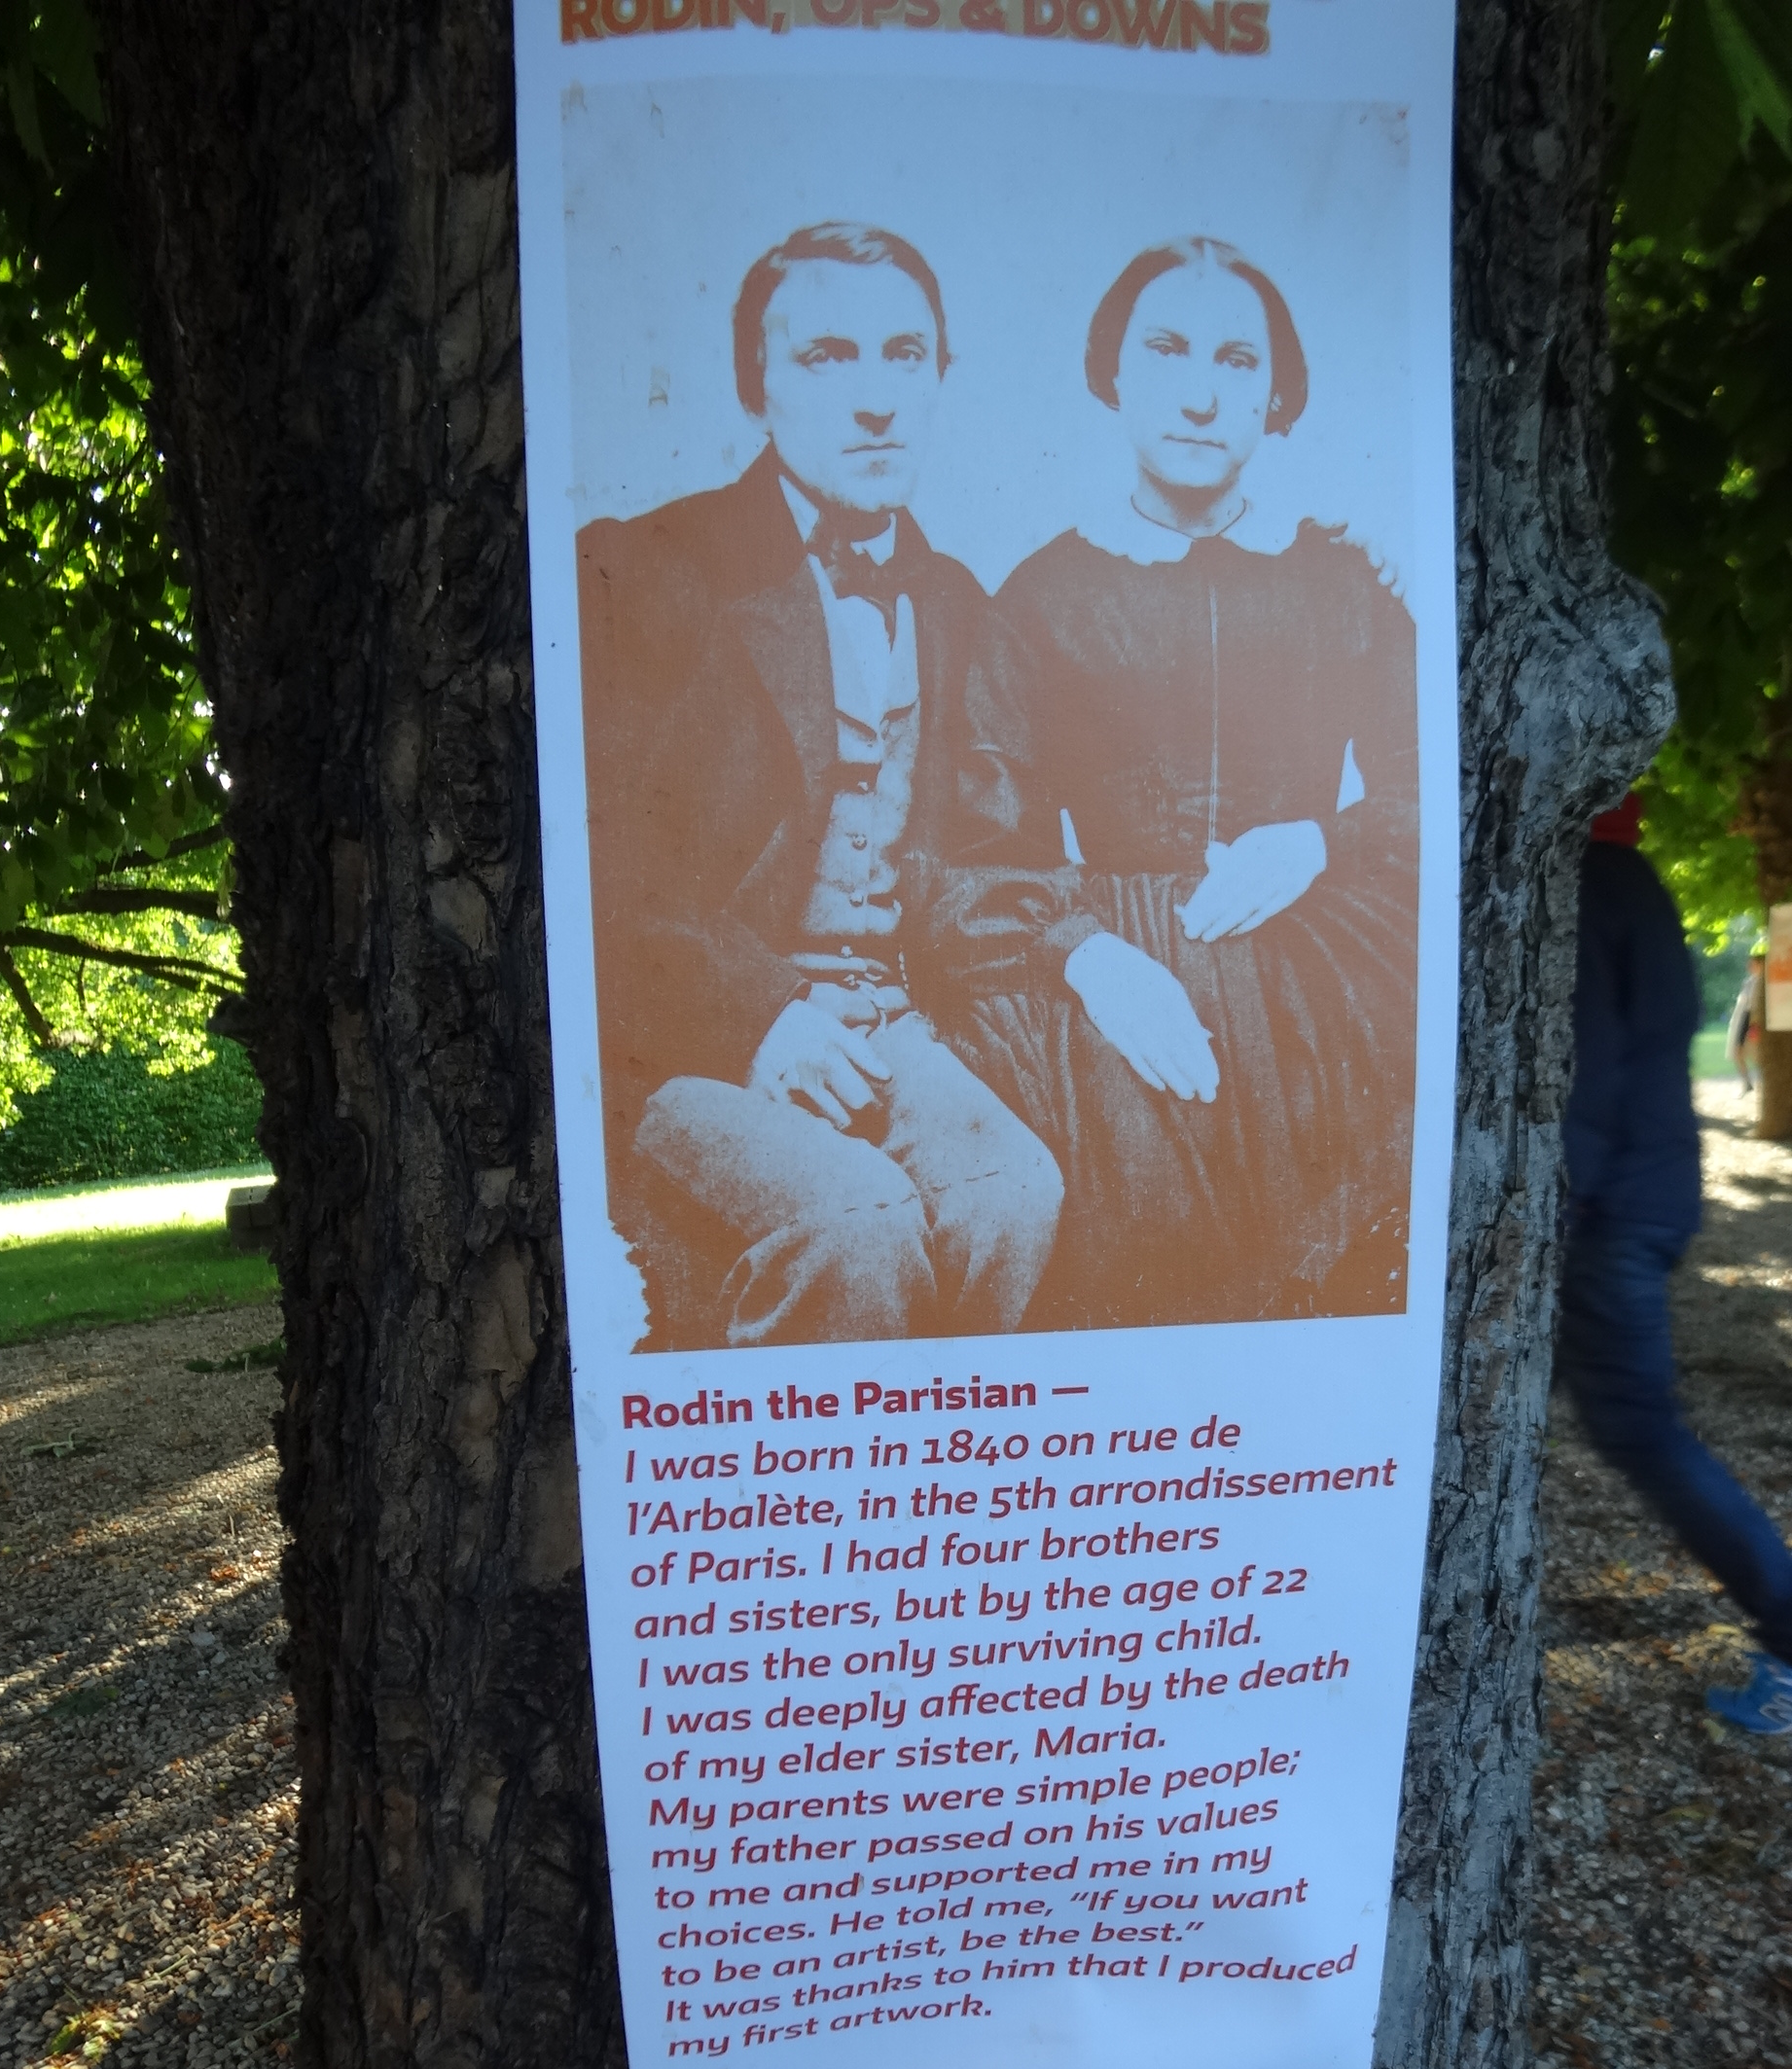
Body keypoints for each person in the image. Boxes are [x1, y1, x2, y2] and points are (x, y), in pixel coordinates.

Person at [577, 225, 1090, 1348]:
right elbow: (599, 876)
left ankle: (947, 1465)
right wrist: (760, 1014)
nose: (875, 401)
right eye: (826, 358)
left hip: (890, 1023)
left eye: (904, 355)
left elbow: (990, 855)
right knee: (858, 1226)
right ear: (754, 387)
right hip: (692, 1038)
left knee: (1013, 1196)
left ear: (940, 376)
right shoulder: (640, 567)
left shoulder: (956, 603)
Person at [979, 235, 1419, 1326]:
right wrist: (1084, 956)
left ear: (1276, 392)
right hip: (1120, 966)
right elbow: (984, 836)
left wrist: (1318, 841)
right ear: (1114, 374)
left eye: (1236, 360)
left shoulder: (1345, 579)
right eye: (1167, 350)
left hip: (1325, 966)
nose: (1200, 394)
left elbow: (1433, 793)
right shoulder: (1040, 595)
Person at [1561, 807, 1792, 1735]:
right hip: (1650, 1190)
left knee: (1641, 1430)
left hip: (1605, 1208)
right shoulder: (1641, 885)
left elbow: (1584, 1065)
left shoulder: (1578, 888)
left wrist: (1557, 1205)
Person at [1728, 946, 1764, 1095]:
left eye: (1752, 963)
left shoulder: (1765, 982)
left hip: (1757, 1019)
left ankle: (1766, 1081)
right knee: (1737, 1051)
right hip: (1745, 1018)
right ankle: (1747, 1082)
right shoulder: (1748, 982)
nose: (1749, 966)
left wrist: (1756, 1022)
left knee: (1758, 1053)